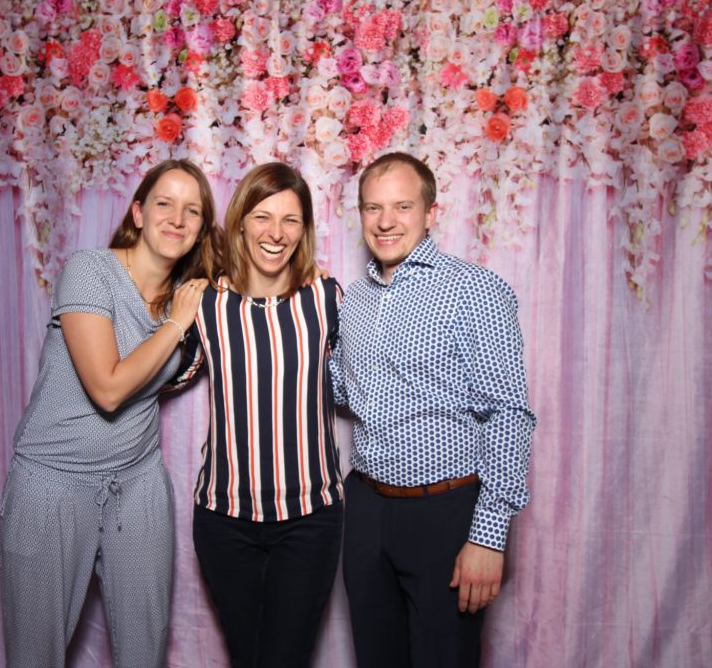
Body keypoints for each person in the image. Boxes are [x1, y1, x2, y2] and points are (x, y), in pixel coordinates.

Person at [0, 160, 217, 668]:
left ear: (202, 227)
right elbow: (109, 388)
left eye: (192, 211)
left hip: (137, 483)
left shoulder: (191, 295)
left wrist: (310, 278)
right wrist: (176, 325)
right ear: (138, 213)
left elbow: (262, 284)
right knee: (34, 655)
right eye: (164, 204)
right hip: (52, 483)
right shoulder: (90, 271)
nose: (177, 219)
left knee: (144, 651)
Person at [329, 152, 536, 667]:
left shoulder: (475, 289)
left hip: (445, 512)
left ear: (430, 212)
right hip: (367, 509)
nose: (385, 221)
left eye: (402, 206)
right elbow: (344, 392)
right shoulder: (354, 299)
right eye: (373, 208)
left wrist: (488, 537)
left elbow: (508, 412)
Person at [179, 163, 344, 668]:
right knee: (246, 655)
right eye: (262, 217)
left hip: (310, 518)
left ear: (304, 229)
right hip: (225, 519)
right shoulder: (206, 303)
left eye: (291, 220)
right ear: (241, 222)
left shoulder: (327, 298)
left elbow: (359, 384)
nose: (276, 233)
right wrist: (168, 315)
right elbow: (164, 379)